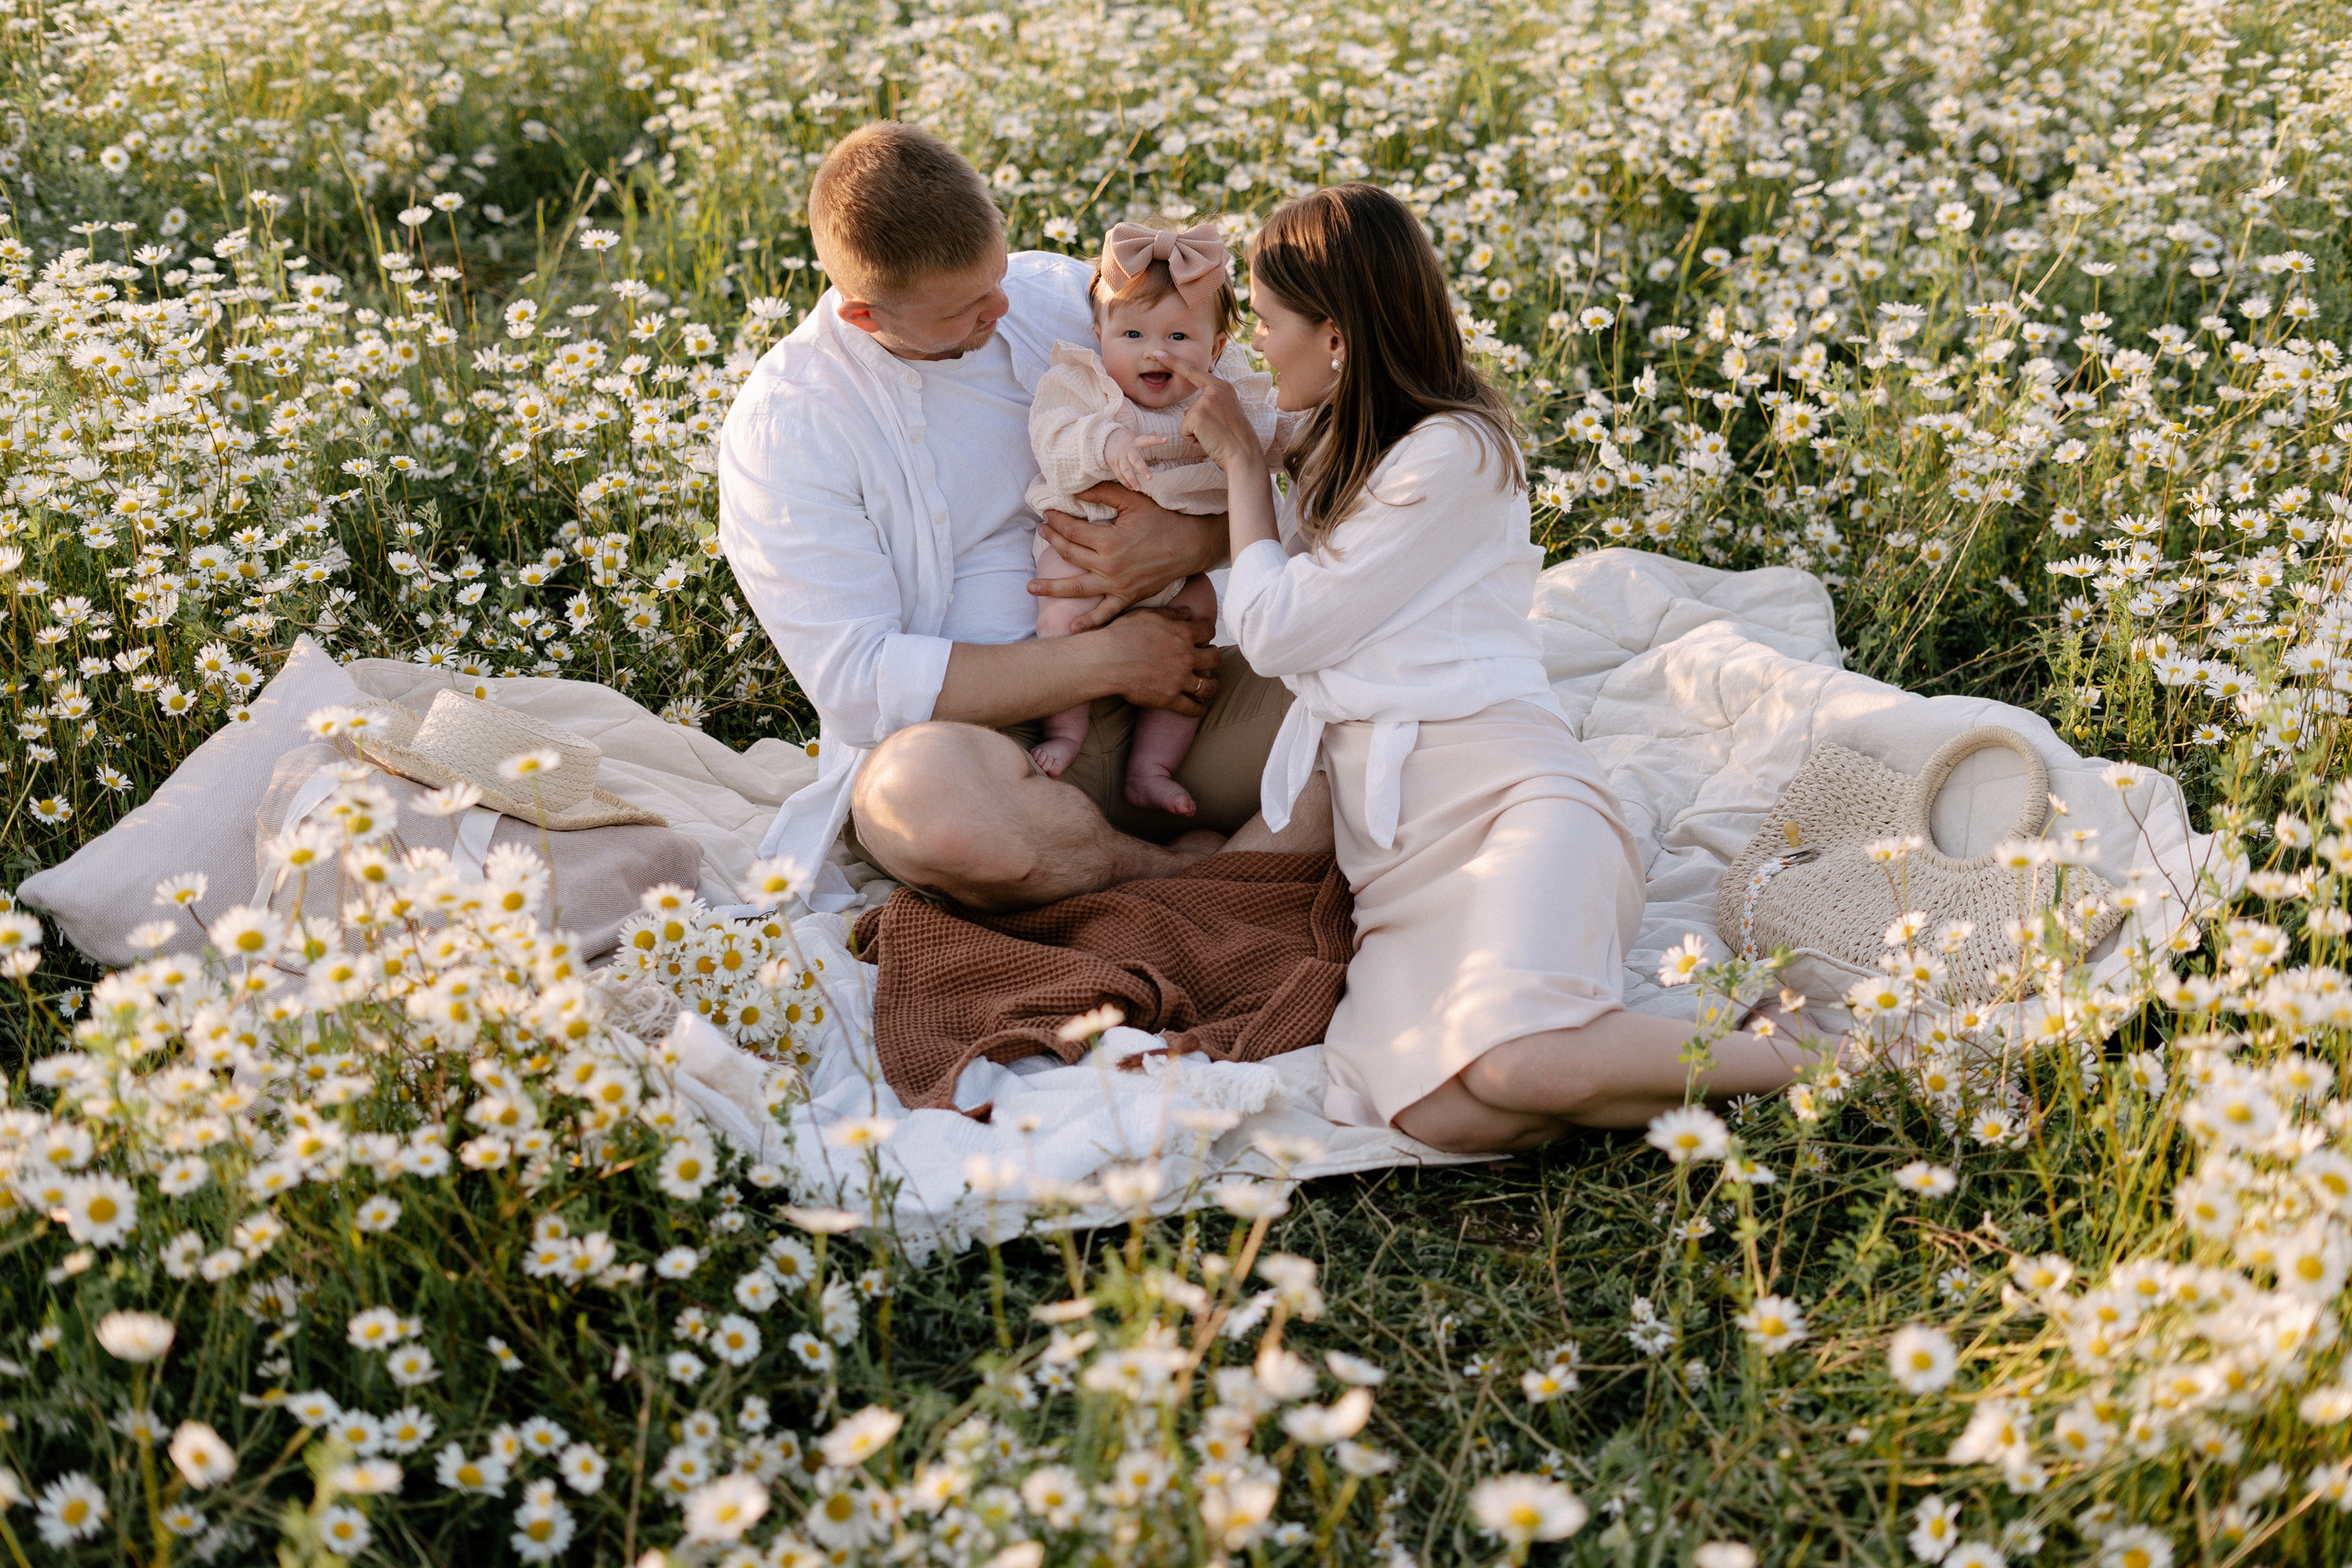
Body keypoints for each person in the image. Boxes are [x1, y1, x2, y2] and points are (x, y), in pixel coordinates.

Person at [1159, 184, 1805, 1154]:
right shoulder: (1337, 437)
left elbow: (1281, 632)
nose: (1255, 349)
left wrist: (1247, 470)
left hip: (1511, 800)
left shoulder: (1452, 451)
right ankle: (1688, 1061)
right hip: (1401, 864)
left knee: (1516, 1065)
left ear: (1334, 335)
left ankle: (1812, 1059)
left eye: (1263, 324)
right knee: (1434, 1112)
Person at [718, 123, 1332, 914]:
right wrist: (1110, 660)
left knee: (1387, 705)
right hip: (995, 749)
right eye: (967, 310)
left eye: (998, 277)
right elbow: (859, 683)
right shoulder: (788, 426)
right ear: (866, 317)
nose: (1001, 310)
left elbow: (1253, 433)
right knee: (913, 802)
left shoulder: (1058, 296)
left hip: (1185, 690)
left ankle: (1173, 868)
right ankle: (1168, 876)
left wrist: (1188, 540)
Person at [1026, 220, 1295, 818]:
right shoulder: (1086, 386)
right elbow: (1052, 436)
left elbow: (1273, 434)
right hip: (1083, 550)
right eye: (1132, 333)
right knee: (1063, 615)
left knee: (1199, 618)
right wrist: (1106, 443)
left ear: (1218, 348)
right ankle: (1067, 731)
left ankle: (1152, 766)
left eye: (1179, 335)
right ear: (1099, 336)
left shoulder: (1224, 394)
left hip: (1177, 573)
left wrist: (1312, 437)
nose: (1155, 350)